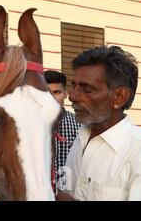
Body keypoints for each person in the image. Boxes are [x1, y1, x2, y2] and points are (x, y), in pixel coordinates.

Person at [57, 46, 141, 201]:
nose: (73, 96)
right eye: (73, 86)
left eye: (88, 90)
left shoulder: (136, 151)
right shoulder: (80, 137)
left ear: (119, 97)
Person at [44, 70, 81, 190]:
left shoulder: (80, 125)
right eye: (46, 93)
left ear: (66, 93)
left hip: (70, 192)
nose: (51, 98)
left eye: (56, 92)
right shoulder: (29, 126)